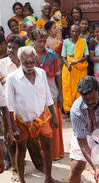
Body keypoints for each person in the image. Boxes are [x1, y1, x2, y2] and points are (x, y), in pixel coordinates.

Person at [5, 46, 63, 183]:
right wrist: (12, 127)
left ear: (35, 59)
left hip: (41, 118)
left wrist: (54, 117)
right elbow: (9, 105)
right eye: (26, 62)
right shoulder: (12, 78)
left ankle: (49, 177)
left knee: (47, 147)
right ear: (20, 60)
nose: (29, 65)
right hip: (22, 120)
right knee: (21, 151)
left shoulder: (42, 73)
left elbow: (47, 97)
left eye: (32, 62)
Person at [0, 35, 44, 181]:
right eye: (8, 47)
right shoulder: (0, 64)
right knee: (13, 139)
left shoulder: (28, 63)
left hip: (27, 106)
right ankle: (16, 169)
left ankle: (39, 164)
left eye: (13, 48)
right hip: (7, 108)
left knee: (33, 137)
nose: (10, 50)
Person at [32, 29, 64, 162]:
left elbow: (58, 77)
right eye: (39, 41)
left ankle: (55, 153)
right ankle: (40, 155)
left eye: (44, 41)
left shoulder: (51, 55)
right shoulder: (28, 56)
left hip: (52, 96)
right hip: (34, 99)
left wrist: (61, 95)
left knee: (54, 126)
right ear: (33, 41)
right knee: (37, 127)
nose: (42, 43)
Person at [61, 24, 88, 114]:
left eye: (76, 31)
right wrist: (68, 65)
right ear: (70, 32)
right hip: (68, 68)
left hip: (80, 68)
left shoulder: (83, 41)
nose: (74, 33)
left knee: (80, 88)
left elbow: (86, 56)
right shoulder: (65, 42)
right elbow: (63, 56)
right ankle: (69, 109)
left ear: (79, 32)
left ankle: (79, 108)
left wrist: (77, 61)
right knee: (68, 88)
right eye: (72, 31)